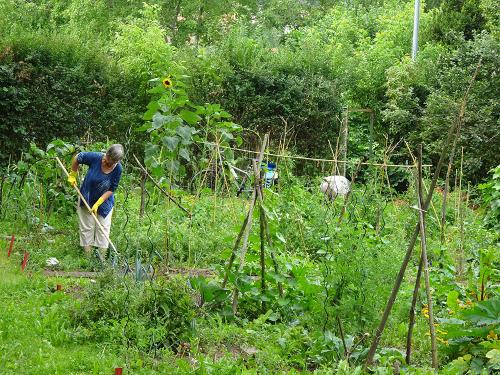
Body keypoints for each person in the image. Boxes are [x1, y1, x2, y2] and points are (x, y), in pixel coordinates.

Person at [67, 144, 124, 256]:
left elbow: (112, 189)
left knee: (103, 228)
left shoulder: (118, 169)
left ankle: (101, 260)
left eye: (110, 163)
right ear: (106, 154)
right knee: (87, 227)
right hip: (87, 196)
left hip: (104, 201)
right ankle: (88, 259)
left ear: (116, 162)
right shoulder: (95, 157)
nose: (106, 163)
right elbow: (78, 157)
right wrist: (72, 174)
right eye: (106, 160)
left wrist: (98, 203)